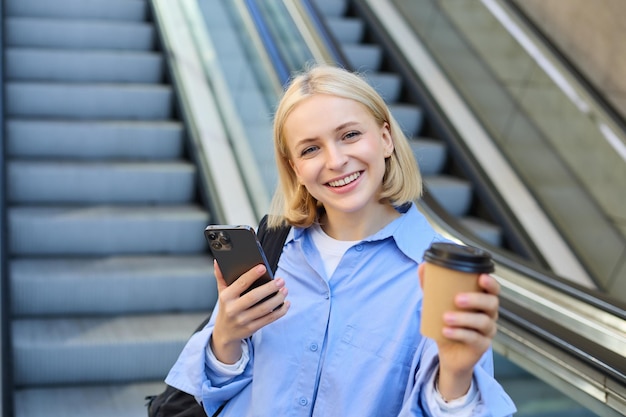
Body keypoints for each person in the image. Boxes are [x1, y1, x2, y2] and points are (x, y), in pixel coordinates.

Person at [165, 65, 516, 416]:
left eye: (349, 135)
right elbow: (210, 394)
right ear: (295, 169)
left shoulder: (442, 272)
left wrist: (456, 377)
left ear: (385, 138)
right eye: (310, 150)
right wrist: (225, 337)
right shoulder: (274, 246)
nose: (335, 161)